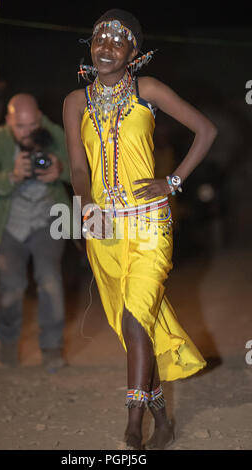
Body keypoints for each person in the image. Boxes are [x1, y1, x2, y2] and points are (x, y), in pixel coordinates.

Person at [63, 9, 217, 450]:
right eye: (99, 38)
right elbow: (77, 166)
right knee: (133, 326)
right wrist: (85, 205)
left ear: (134, 52)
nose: (107, 46)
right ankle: (161, 417)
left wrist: (172, 182)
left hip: (150, 223)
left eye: (118, 40)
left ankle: (133, 426)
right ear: (91, 48)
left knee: (135, 317)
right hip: (105, 230)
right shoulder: (76, 101)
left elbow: (206, 130)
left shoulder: (147, 90)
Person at [0, 93, 72, 369]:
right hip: (9, 225)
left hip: (49, 220)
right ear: (9, 120)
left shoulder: (55, 134)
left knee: (50, 279)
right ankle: (7, 343)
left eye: (32, 126)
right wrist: (11, 176)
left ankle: (52, 349)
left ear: (39, 118)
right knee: (11, 286)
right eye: (20, 126)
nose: (27, 132)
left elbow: (81, 170)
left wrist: (60, 170)